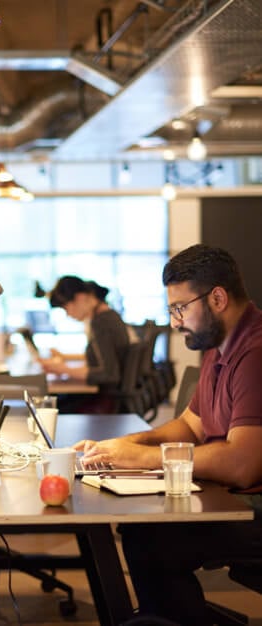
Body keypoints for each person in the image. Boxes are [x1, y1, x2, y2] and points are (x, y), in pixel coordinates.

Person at [74, 245, 262, 625]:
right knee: (146, 532)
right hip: (228, 495)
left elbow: (243, 465)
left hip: (254, 507)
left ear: (218, 298)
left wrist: (143, 459)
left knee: (153, 541)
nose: (175, 323)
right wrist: (129, 444)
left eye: (180, 308)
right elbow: (192, 425)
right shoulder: (217, 345)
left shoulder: (255, 353)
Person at [38, 275, 130, 412]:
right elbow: (103, 359)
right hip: (108, 395)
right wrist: (65, 359)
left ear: (80, 297)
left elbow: (109, 373)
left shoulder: (102, 322)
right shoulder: (107, 316)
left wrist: (63, 369)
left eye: (66, 307)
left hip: (105, 399)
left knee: (48, 407)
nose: (68, 314)